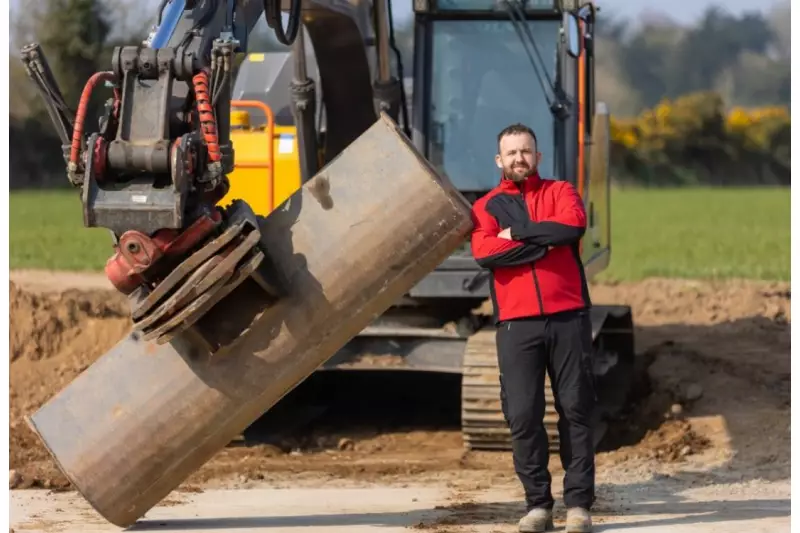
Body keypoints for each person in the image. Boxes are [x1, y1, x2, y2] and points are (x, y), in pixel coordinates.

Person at [469, 123, 596, 533]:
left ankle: (578, 506)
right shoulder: (485, 206)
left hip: (569, 316)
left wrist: (520, 233)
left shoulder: (562, 192)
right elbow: (486, 253)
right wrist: (546, 241)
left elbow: (572, 228)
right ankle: (538, 505)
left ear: (538, 156)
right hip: (516, 325)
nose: (519, 158)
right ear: (499, 160)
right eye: (511, 153)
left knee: (576, 410)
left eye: (526, 151)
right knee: (523, 415)